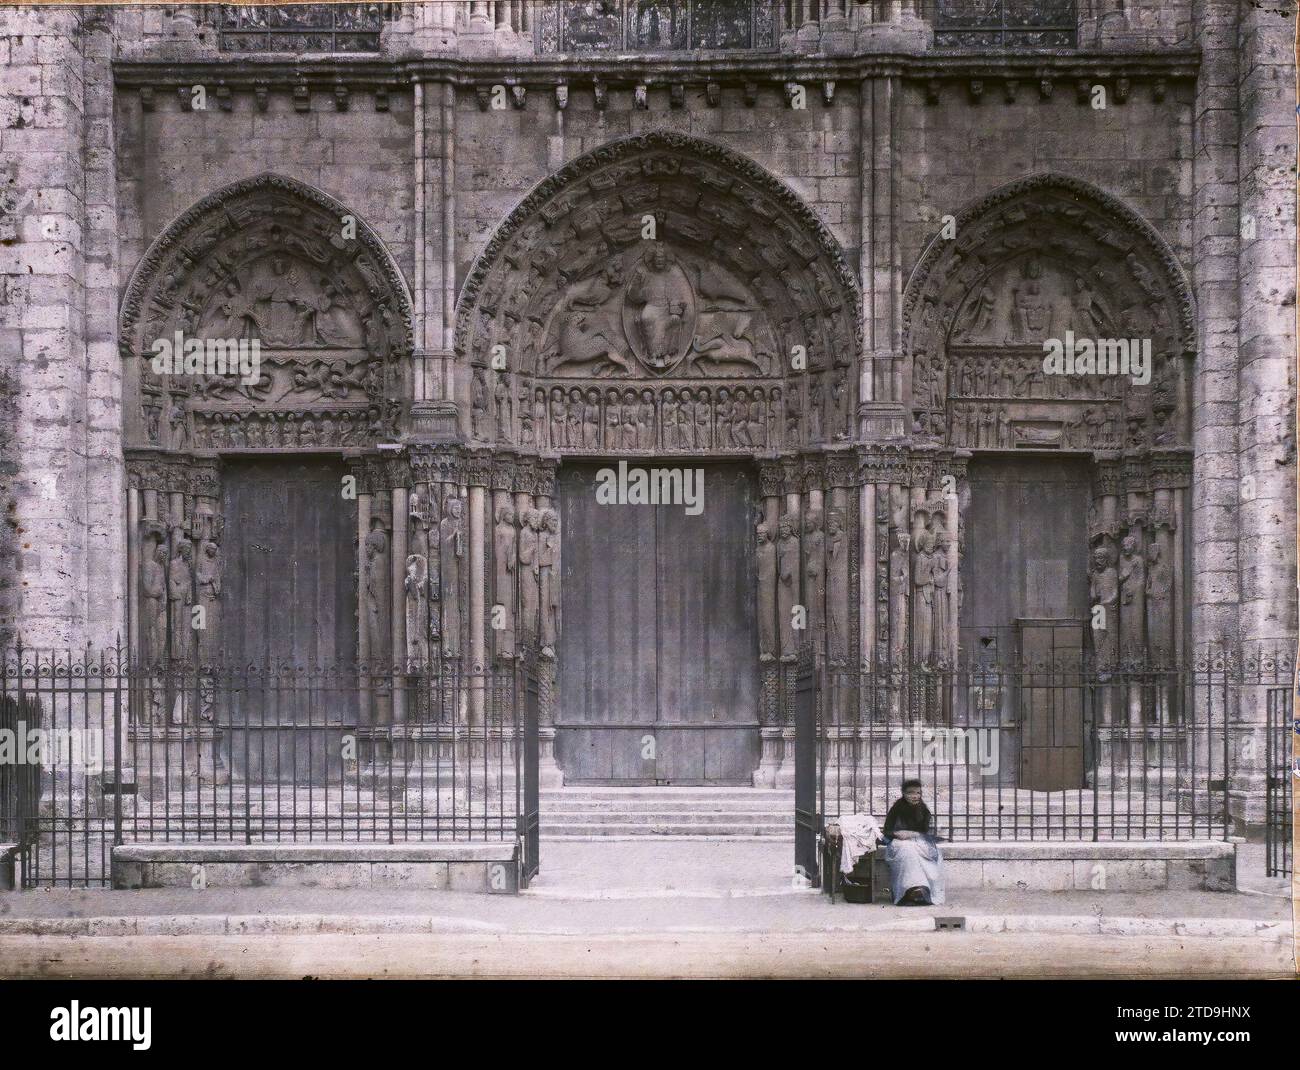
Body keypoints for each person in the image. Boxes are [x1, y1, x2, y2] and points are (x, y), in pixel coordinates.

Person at [882, 779, 946, 906]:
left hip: (919, 841)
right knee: (908, 850)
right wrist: (897, 833)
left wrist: (914, 834)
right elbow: (887, 831)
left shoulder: (924, 810)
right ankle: (909, 889)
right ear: (904, 794)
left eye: (918, 793)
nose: (915, 796)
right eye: (910, 793)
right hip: (899, 843)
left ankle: (924, 889)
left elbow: (926, 832)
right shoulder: (896, 809)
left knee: (930, 852)